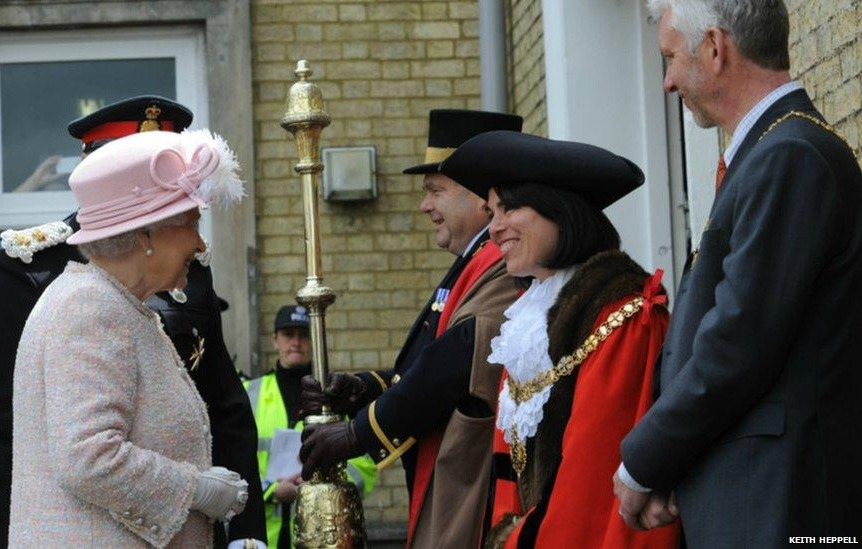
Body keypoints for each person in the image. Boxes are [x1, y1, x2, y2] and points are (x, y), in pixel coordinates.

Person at [0, 96, 266, 549]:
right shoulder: (78, 298)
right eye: (187, 220)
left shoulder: (121, 295)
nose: (200, 243)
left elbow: (223, 406)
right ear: (144, 228)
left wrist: (243, 533)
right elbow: (60, 450)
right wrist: (197, 489)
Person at [615, 0, 862, 545]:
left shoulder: (788, 155)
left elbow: (739, 339)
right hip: (759, 496)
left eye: (670, 57)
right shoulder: (773, 150)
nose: (668, 81)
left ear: (715, 48)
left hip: (778, 503)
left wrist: (644, 460)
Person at [439, 131, 680, 548]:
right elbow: (509, 471)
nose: (494, 229)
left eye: (509, 208)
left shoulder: (621, 316)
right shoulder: (526, 321)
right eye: (491, 212)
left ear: (560, 211)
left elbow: (590, 483)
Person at [299, 109, 522, 547]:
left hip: (476, 488)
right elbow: (428, 360)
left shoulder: (500, 266)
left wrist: (355, 434)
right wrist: (364, 388)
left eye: (435, 191)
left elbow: (453, 363)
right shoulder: (475, 264)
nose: (425, 206)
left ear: (481, 198)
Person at [244, 305, 377, 548]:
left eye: (303, 335)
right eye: (288, 334)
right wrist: (271, 490)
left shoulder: (336, 396)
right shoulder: (249, 394)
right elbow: (234, 461)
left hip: (322, 533)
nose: (296, 342)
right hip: (261, 537)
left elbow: (365, 466)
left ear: (313, 340)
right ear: (275, 340)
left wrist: (322, 486)